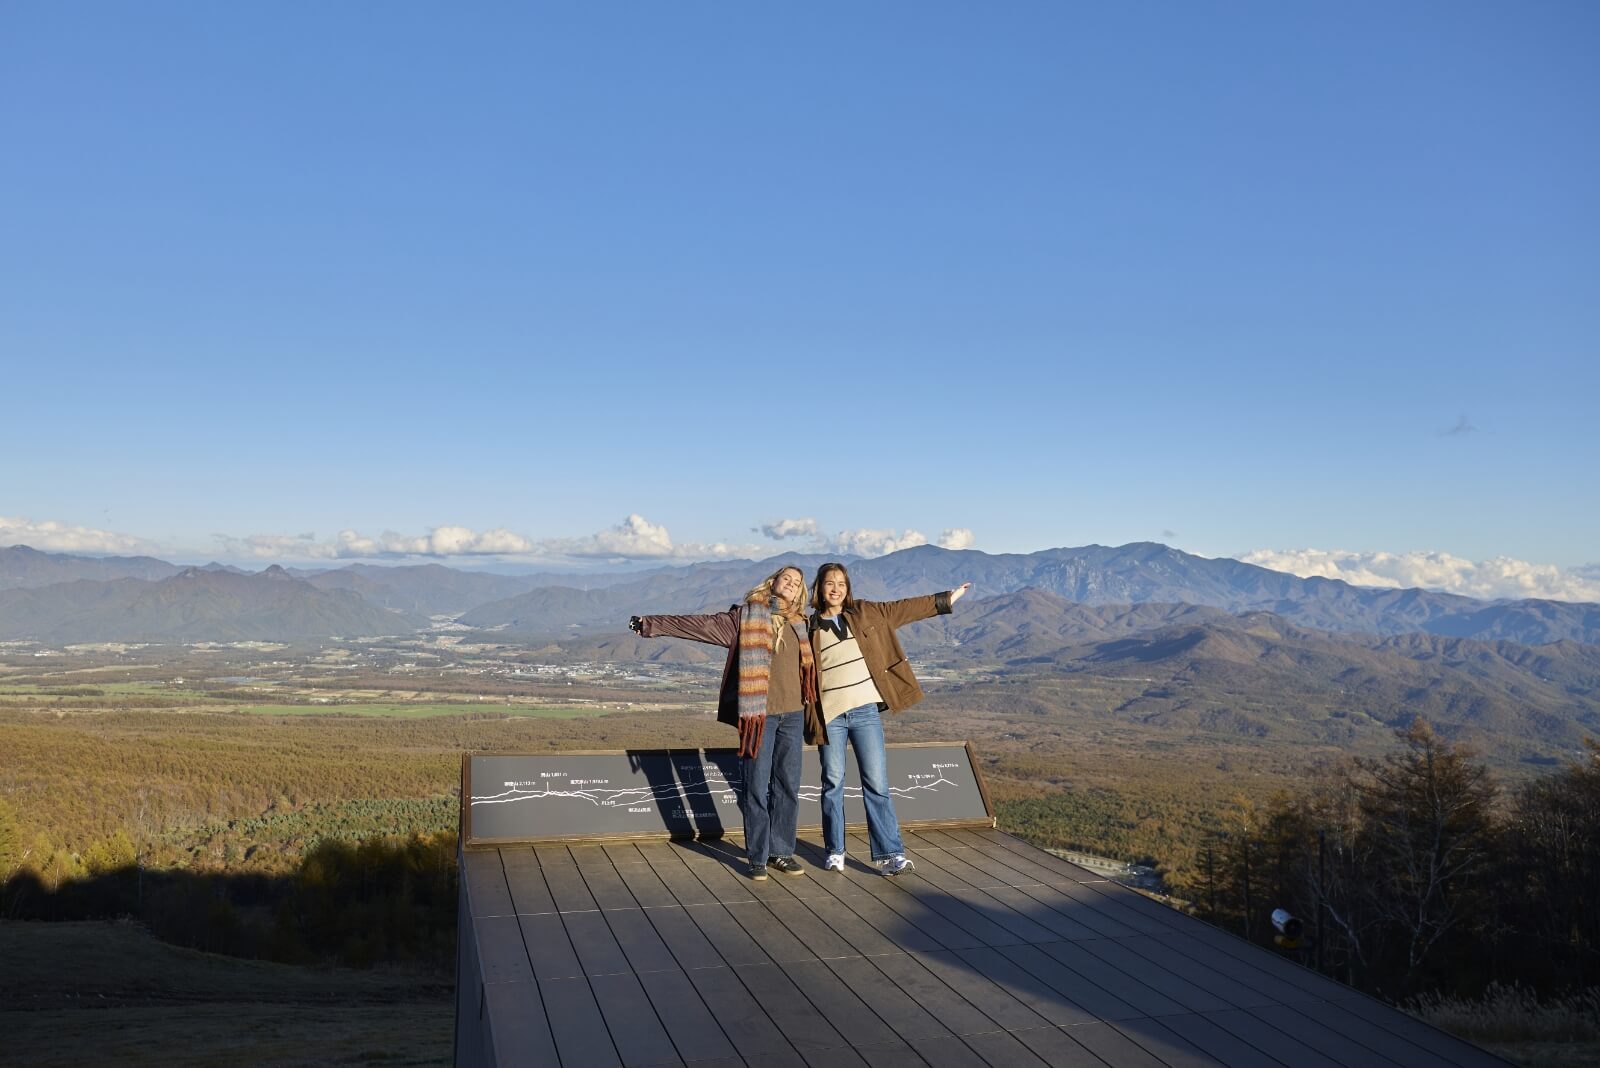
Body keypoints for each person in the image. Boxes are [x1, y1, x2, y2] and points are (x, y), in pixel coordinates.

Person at [628, 565, 817, 880]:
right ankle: (758, 856)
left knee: (788, 786)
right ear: (773, 582)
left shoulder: (801, 622)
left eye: (797, 582)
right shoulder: (746, 617)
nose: (791, 584)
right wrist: (650, 624)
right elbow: (699, 626)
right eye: (787, 578)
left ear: (801, 591)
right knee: (756, 786)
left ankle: (781, 852)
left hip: (794, 716)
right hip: (759, 718)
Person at [810, 562, 969, 875]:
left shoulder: (867, 613)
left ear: (848, 587)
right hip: (830, 716)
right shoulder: (807, 626)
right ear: (819, 587)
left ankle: (890, 854)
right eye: (830, 583)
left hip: (865, 712)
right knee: (832, 783)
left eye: (841, 583)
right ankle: (835, 851)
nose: (836, 589)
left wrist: (945, 600)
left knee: (877, 783)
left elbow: (905, 608)